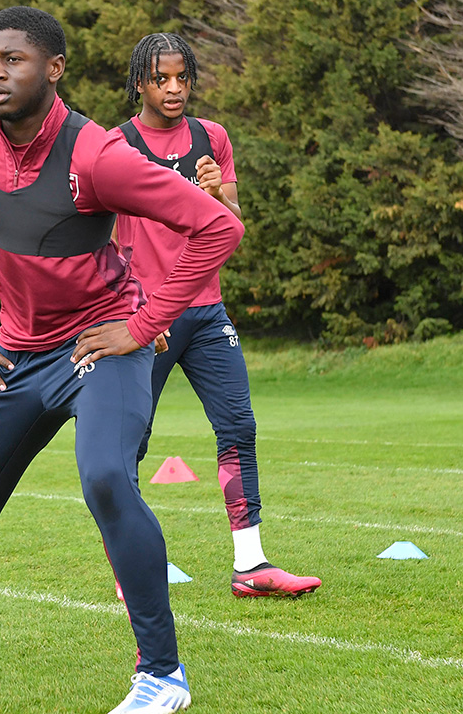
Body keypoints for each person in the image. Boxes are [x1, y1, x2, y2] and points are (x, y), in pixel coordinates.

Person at [0, 8, 243, 714]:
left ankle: (163, 676)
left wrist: (144, 323)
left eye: (13, 60)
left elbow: (217, 226)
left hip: (99, 345)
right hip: (17, 354)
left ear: (54, 69)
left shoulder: (97, 155)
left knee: (105, 479)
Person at [114, 33, 321, 598]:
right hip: (147, 318)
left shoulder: (213, 138)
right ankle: (127, 569)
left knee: (238, 428)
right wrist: (128, 311)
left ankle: (250, 567)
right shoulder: (116, 146)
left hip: (206, 311)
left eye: (183, 77)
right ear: (140, 83)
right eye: (161, 79)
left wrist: (215, 195)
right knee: (127, 442)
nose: (174, 88)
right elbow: (100, 238)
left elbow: (232, 225)